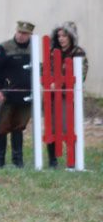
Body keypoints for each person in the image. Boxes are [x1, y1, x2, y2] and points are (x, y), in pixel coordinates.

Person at [0, 20, 35, 168]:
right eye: (20, 32)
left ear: (30, 35)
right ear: (16, 31)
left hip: (25, 96)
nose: (21, 36)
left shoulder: (35, 48)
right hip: (6, 96)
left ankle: (17, 160)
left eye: (25, 33)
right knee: (2, 127)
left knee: (19, 127)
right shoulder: (4, 47)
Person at [46, 21, 88, 168]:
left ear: (71, 36)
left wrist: (59, 84)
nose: (61, 39)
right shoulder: (52, 52)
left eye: (64, 35)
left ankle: (73, 160)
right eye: (59, 36)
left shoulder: (78, 53)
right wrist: (48, 82)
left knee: (66, 128)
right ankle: (52, 161)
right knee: (50, 128)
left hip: (68, 97)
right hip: (51, 96)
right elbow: (45, 70)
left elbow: (80, 75)